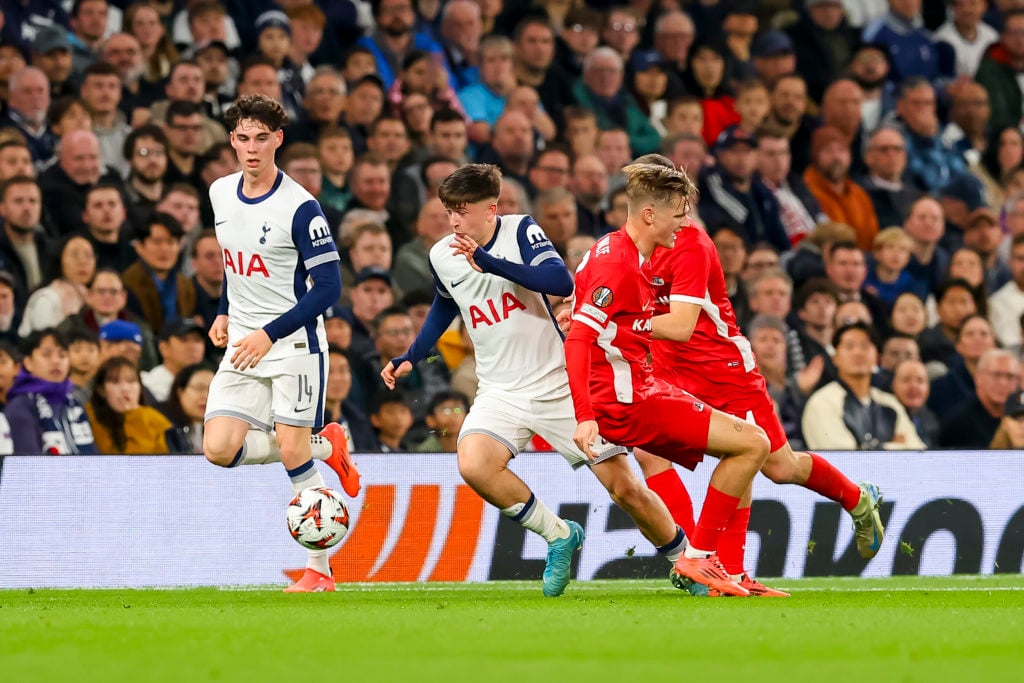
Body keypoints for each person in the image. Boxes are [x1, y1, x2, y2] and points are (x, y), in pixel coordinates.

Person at [382, 163, 686, 598]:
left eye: (462, 210)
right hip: (499, 390)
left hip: (558, 383)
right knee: (474, 464)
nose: (453, 220)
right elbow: (445, 302)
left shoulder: (521, 231)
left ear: (491, 209)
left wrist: (488, 262)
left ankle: (684, 559)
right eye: (449, 210)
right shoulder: (441, 254)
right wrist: (414, 353)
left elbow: (558, 280)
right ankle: (559, 534)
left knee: (625, 489)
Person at [624, 154, 886, 596]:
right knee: (650, 453)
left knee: (779, 467)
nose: (682, 213)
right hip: (670, 369)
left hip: (723, 371)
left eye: (683, 203)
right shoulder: (632, 246)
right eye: (675, 204)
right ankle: (702, 565)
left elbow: (683, 325)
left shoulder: (691, 246)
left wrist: (619, 322)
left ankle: (857, 499)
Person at [563, 161, 768, 597]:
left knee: (710, 451)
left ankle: (704, 563)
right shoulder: (619, 265)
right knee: (754, 443)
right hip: (628, 399)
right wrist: (585, 417)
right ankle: (699, 557)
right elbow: (579, 339)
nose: (684, 223)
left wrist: (601, 322)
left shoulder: (609, 247)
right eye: (678, 213)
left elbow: (593, 319)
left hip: (636, 387)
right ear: (650, 214)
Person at [201, 94, 358, 594]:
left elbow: (330, 287)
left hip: (293, 346)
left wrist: (270, 333)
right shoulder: (220, 193)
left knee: (292, 455)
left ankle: (319, 572)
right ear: (232, 140)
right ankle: (324, 442)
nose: (251, 148)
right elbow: (234, 262)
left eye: (261, 138)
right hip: (244, 344)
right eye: (243, 138)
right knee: (218, 450)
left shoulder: (300, 206)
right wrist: (226, 309)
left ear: (278, 140)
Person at [5, 328, 97, 454]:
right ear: (28, 362)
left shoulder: (74, 404)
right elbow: (28, 466)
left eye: (62, 355)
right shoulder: (21, 406)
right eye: (46, 355)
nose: (56, 361)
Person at [87, 356, 176, 455]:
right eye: (115, 382)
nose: (125, 388)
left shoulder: (155, 420)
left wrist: (133, 415)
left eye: (131, 381)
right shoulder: (89, 417)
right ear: (101, 390)